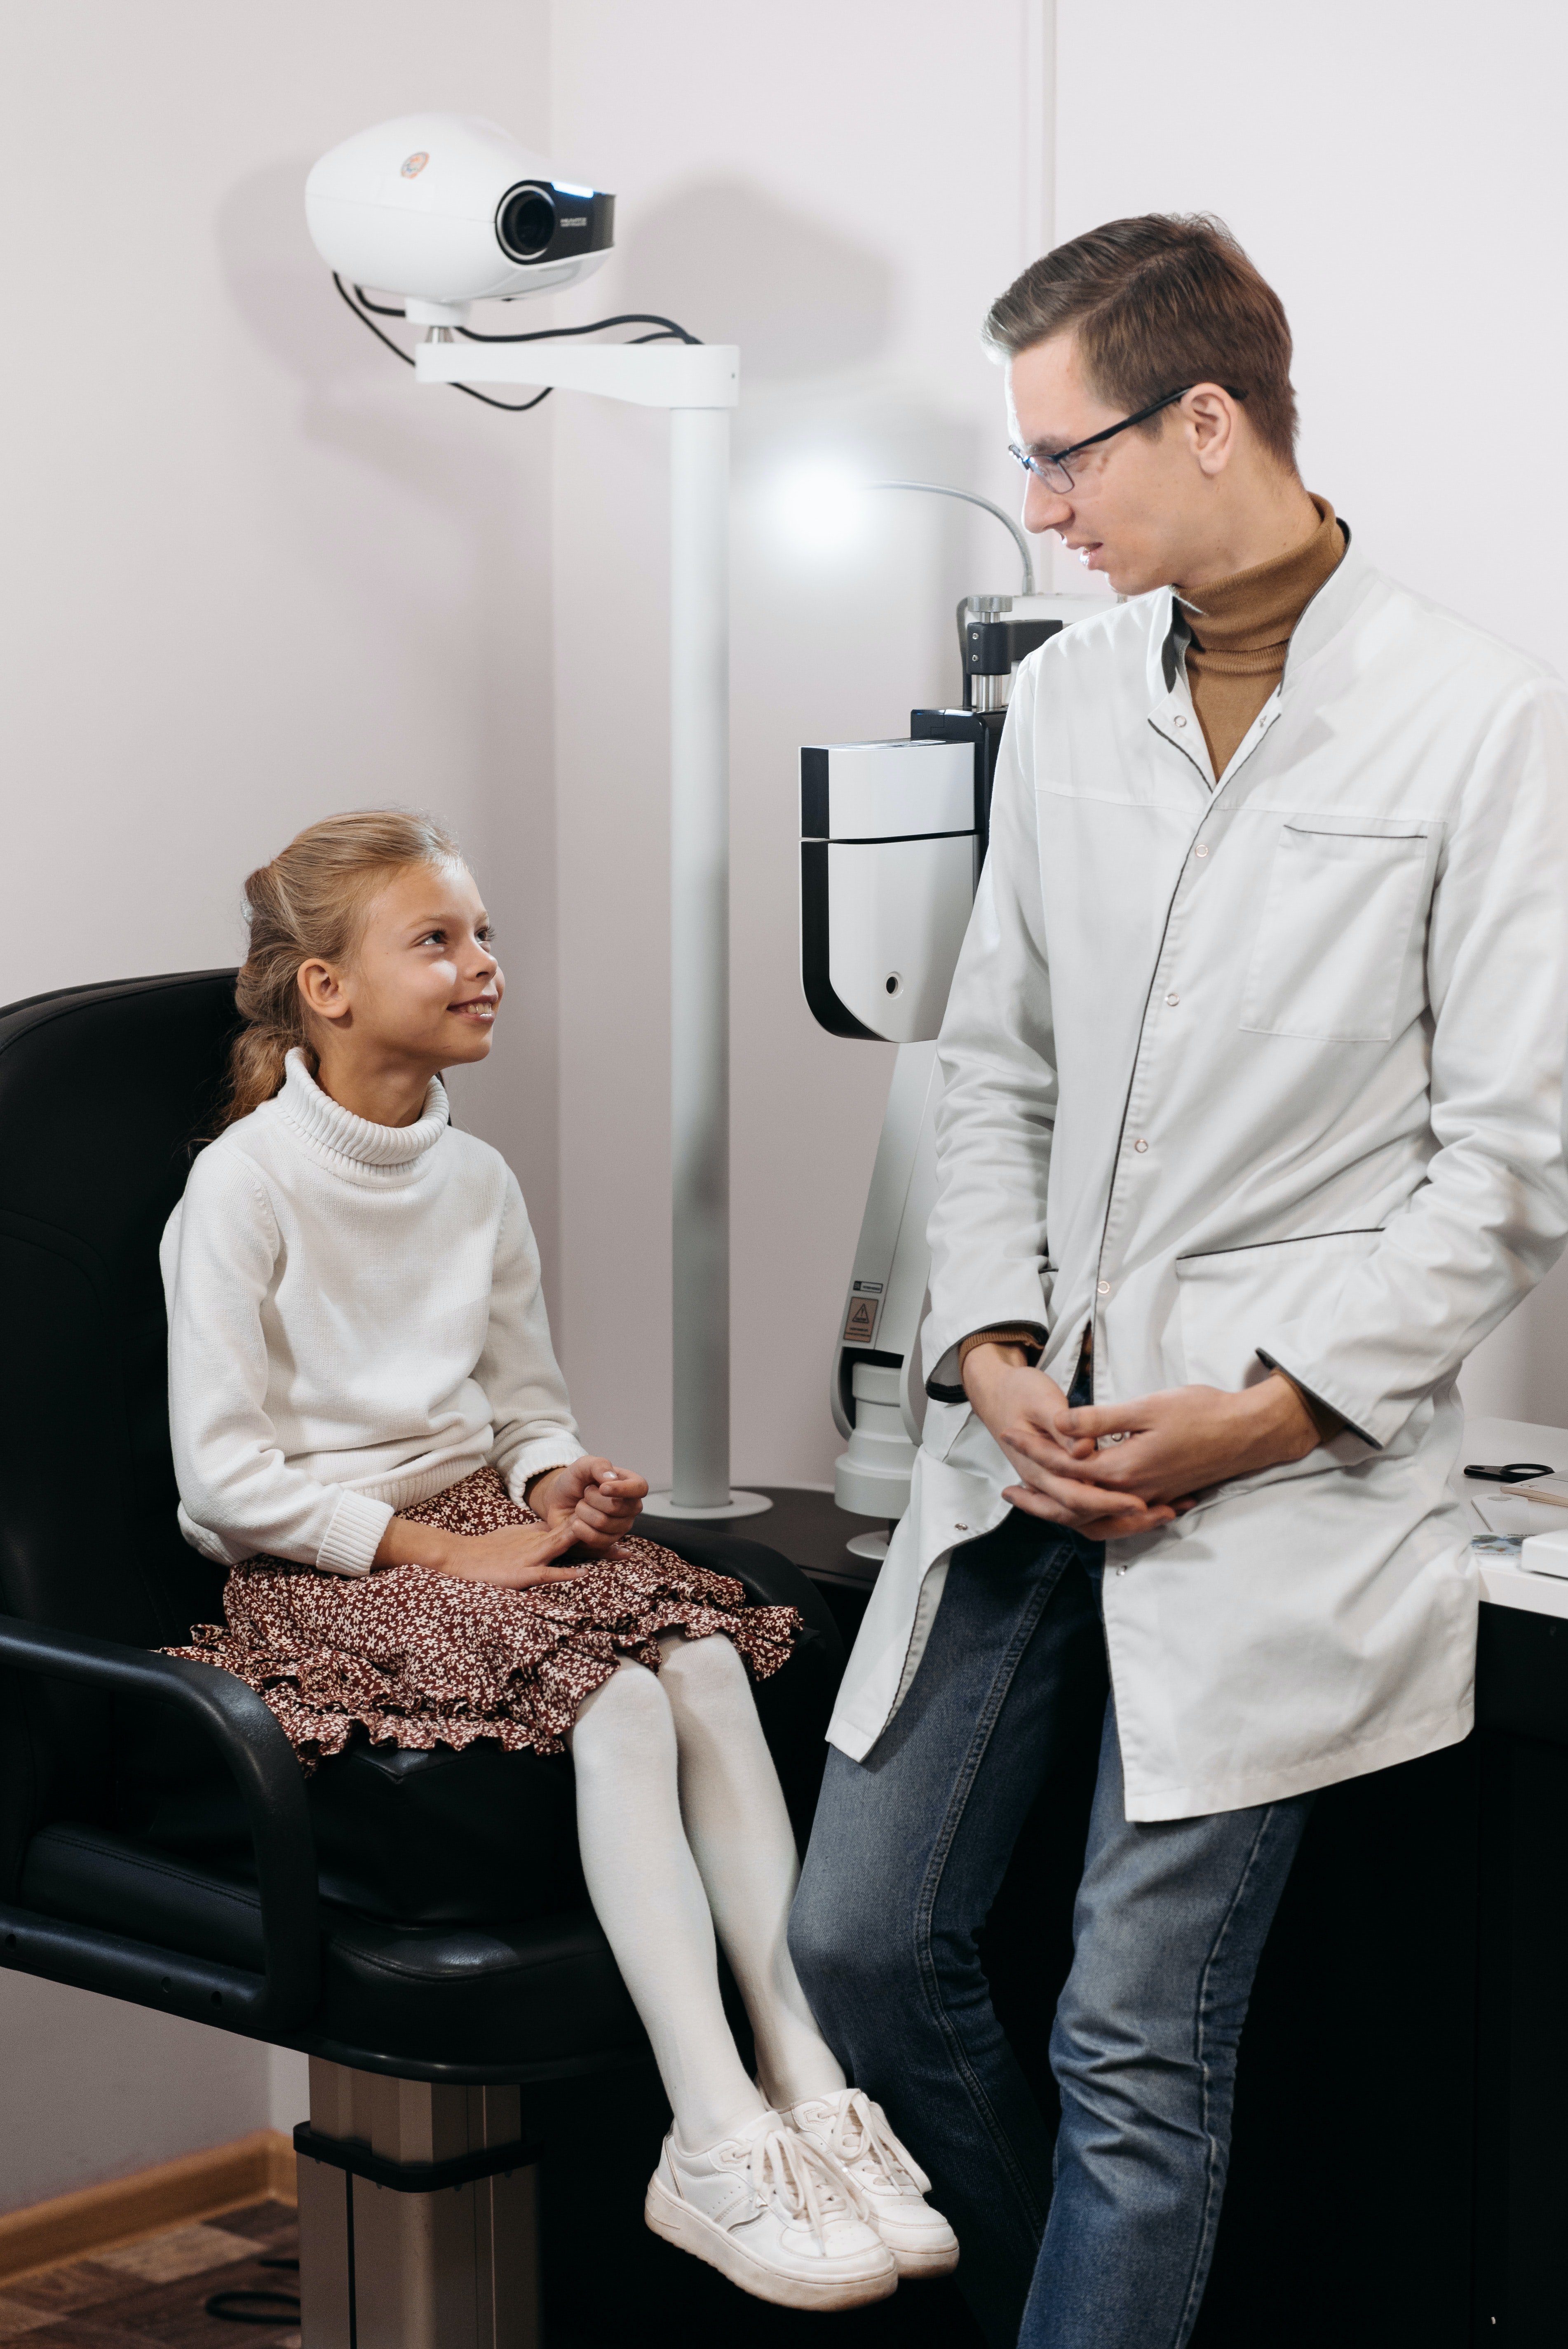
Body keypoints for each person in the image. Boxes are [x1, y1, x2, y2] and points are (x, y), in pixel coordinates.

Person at [789, 213, 1568, 2348]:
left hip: (1265, 1474)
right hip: (1031, 1439)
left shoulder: (1482, 724)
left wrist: (1267, 1408)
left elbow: (1508, 1161)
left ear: (1202, 417)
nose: (1037, 508)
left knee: (1133, 2040)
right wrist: (986, 1337)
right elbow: (992, 1062)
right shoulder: (1060, 708)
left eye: (1065, 459)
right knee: (854, 1939)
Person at [160, 809, 958, 2312]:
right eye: (441, 940)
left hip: (473, 1527)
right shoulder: (244, 1187)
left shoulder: (478, 1178)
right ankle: (709, 2131)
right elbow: (226, 1479)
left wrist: (558, 1481)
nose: (485, 967)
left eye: (486, 935)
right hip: (322, 1564)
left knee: (710, 1653)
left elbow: (523, 1404)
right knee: (619, 1697)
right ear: (325, 987)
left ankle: (808, 2081)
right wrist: (439, 1552)